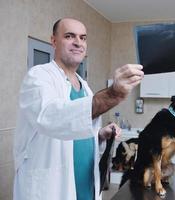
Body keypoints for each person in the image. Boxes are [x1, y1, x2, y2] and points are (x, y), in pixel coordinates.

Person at [13, 18, 144, 200]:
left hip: (85, 185)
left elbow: (77, 129)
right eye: (69, 36)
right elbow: (51, 117)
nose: (78, 43)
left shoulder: (85, 87)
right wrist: (113, 93)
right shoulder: (39, 77)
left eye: (83, 38)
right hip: (53, 188)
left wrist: (98, 134)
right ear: (54, 41)